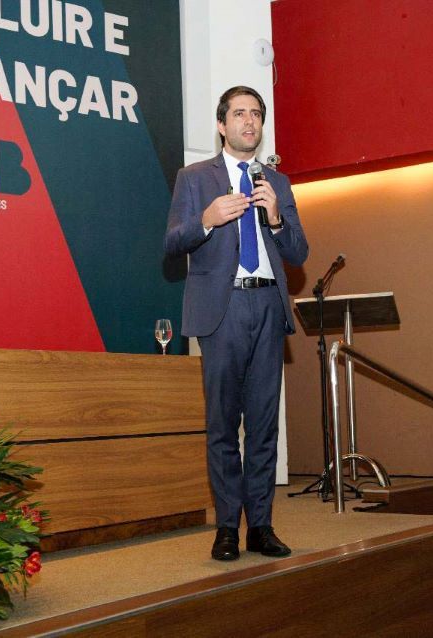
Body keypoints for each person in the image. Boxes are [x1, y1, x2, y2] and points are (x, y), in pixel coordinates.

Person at [164, 86, 309, 561]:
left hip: (267, 305)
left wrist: (276, 219)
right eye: (240, 113)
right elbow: (172, 242)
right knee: (223, 424)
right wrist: (206, 220)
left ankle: (260, 526)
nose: (250, 121)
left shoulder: (277, 182)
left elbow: (299, 253)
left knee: (264, 425)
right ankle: (227, 527)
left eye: (257, 114)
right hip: (221, 310)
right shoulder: (194, 178)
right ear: (222, 125)